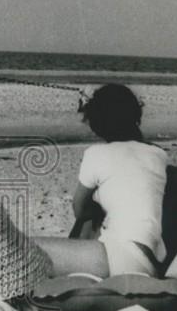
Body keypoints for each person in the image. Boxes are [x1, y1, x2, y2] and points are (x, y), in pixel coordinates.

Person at [34, 83, 168, 278]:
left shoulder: (96, 154)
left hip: (122, 255)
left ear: (97, 123)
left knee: (23, 249)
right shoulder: (158, 154)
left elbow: (79, 210)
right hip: (152, 260)